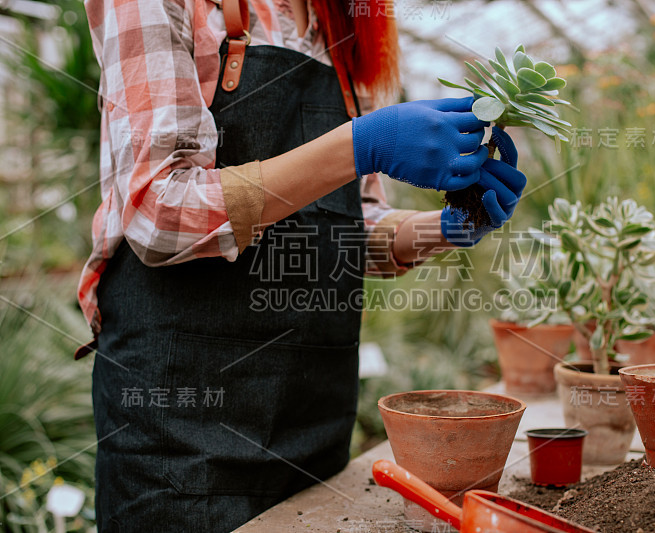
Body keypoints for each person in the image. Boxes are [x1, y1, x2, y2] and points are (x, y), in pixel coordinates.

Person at [75, 0, 527, 530]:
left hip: (313, 417)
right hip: (183, 425)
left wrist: (444, 228)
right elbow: (159, 213)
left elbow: (343, 225)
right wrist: (362, 143)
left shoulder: (336, 22)